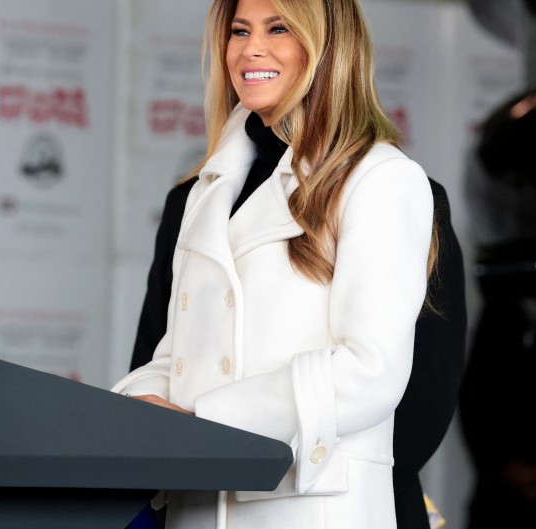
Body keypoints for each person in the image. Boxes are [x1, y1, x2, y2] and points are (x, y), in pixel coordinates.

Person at [112, 0, 453, 527]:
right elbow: (176, 355)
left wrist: (202, 423)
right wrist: (133, 406)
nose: (251, 49)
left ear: (328, 45)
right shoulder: (203, 193)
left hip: (310, 509)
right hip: (195, 508)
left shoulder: (380, 177)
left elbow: (371, 370)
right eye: (239, 31)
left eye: (278, 29)